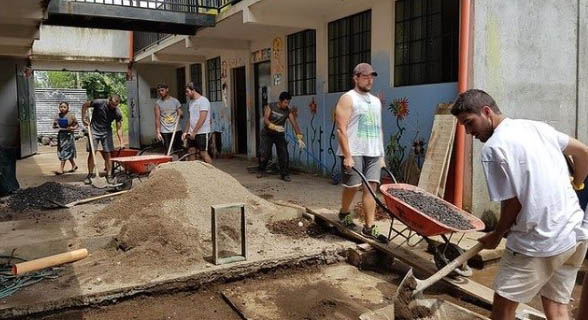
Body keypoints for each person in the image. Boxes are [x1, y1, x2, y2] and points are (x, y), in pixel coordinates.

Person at [451, 89, 588, 320]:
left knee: (503, 309)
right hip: (574, 234)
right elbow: (584, 151)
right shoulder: (536, 127)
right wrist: (578, 182)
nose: (468, 132)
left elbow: (512, 204)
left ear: (487, 112)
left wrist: (496, 234)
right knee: (557, 308)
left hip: (540, 241)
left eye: (469, 123)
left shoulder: (494, 148)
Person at [334, 63, 387, 243]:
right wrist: (347, 156)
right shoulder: (348, 98)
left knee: (371, 188)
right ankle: (344, 212)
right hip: (354, 150)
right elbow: (341, 129)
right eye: (365, 77)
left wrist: (381, 155)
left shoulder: (376, 101)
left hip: (373, 151)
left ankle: (369, 226)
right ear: (356, 78)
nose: (369, 80)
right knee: (352, 186)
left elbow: (379, 128)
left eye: (371, 77)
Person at [257, 91, 305, 182]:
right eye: (285, 102)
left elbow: (294, 124)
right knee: (264, 153)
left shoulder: (288, 111)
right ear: (280, 101)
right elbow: (266, 119)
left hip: (279, 134)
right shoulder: (270, 106)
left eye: (288, 103)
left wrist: (299, 138)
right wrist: (273, 126)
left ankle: (284, 174)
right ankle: (261, 170)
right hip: (267, 133)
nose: (287, 105)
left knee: (284, 154)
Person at [82, 94, 123, 185]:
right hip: (94, 130)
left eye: (115, 105)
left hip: (106, 132)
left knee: (108, 154)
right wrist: (83, 117)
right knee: (92, 153)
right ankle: (90, 175)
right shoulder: (99, 102)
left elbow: (119, 128)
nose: (113, 107)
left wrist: (121, 142)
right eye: (112, 104)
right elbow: (85, 105)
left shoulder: (117, 112)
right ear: (108, 100)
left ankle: (109, 176)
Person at [182, 83, 212, 164]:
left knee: (203, 153)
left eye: (187, 92)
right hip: (192, 133)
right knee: (191, 151)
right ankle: (193, 174)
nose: (186, 94)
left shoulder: (203, 101)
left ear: (193, 90)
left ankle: (213, 173)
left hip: (202, 132)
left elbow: (202, 118)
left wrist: (194, 132)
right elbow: (190, 118)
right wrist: (186, 131)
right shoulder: (191, 102)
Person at [154, 83, 183, 154]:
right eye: (159, 91)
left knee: (179, 150)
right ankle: (168, 164)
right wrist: (158, 132)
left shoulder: (175, 101)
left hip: (176, 129)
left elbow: (181, 114)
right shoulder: (158, 103)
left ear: (167, 89)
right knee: (167, 151)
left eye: (162, 90)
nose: (161, 92)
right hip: (165, 131)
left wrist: (180, 113)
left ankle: (181, 164)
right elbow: (157, 118)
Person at [53, 101, 78, 175]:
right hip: (61, 135)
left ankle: (61, 169)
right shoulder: (58, 116)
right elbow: (54, 125)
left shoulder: (71, 115)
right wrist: (55, 125)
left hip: (68, 135)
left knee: (65, 151)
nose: (62, 108)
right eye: (61, 107)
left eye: (64, 107)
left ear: (67, 108)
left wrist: (73, 128)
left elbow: (76, 124)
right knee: (63, 150)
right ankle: (74, 165)